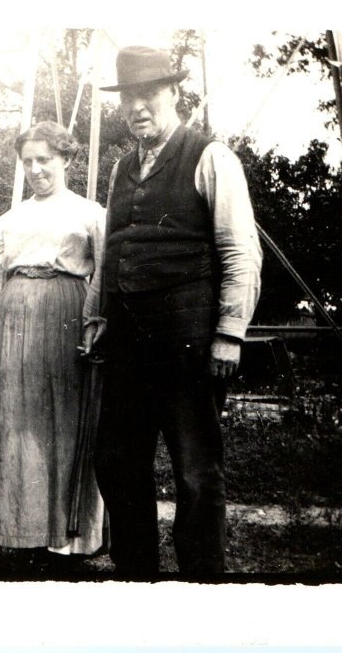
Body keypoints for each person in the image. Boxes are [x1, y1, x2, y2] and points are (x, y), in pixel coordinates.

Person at [83, 46, 262, 576]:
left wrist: (229, 332)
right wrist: (97, 317)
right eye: (129, 98)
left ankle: (201, 580)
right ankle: (137, 574)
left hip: (187, 344)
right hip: (127, 346)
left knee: (196, 473)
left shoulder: (210, 157)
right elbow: (111, 251)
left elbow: (240, 251)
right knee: (116, 463)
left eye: (148, 95)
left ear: (174, 94)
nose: (137, 107)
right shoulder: (122, 168)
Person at [0, 121, 105, 562]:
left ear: (66, 159)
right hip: (14, 320)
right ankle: (12, 528)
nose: (37, 169)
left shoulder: (91, 212)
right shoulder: (10, 217)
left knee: (61, 421)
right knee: (14, 421)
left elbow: (103, 274)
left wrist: (92, 322)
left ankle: (68, 536)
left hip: (67, 316)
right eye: (28, 161)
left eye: (45, 159)